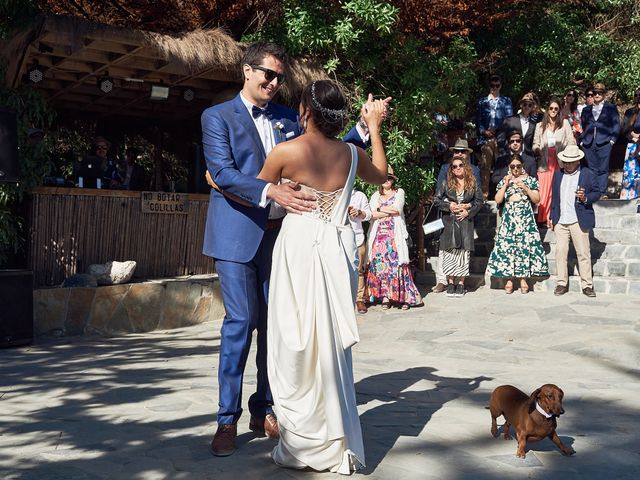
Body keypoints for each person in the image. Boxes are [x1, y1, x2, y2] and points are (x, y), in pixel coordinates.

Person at [201, 42, 381, 457]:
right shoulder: (216, 116)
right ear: (247, 70)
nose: (274, 82)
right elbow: (223, 172)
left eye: (279, 76)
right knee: (241, 322)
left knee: (276, 324)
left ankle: (265, 408)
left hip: (281, 238)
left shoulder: (287, 117)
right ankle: (225, 420)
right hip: (234, 234)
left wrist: (361, 124)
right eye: (267, 73)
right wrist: (270, 189)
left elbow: (322, 146)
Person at [257, 80, 389, 474]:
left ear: (305, 112)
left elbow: (260, 195)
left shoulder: (284, 152)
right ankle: (334, 442)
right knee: (330, 345)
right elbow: (381, 176)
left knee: (292, 342)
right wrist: (375, 126)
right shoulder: (351, 153)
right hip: (336, 251)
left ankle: (300, 443)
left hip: (297, 248)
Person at [487, 154, 548, 293]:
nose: (515, 169)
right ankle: (508, 280)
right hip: (509, 218)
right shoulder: (505, 181)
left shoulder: (530, 180)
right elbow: (497, 200)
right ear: (509, 167)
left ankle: (523, 279)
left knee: (523, 246)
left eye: (518, 166)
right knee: (508, 247)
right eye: (512, 166)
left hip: (525, 217)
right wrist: (506, 184)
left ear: (522, 166)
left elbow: (537, 199)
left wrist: (526, 188)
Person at [366, 167, 422, 309]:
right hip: (379, 237)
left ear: (393, 180)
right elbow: (371, 214)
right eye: (384, 178)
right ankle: (385, 297)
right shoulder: (374, 196)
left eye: (389, 178)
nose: (386, 180)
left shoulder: (399, 192)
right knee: (381, 267)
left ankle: (404, 297)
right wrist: (382, 211)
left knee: (397, 266)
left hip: (393, 236)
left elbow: (396, 210)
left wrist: (379, 210)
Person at [432, 138, 480, 293]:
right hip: (449, 218)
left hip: (466, 219)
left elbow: (478, 198)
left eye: (463, 151)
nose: (460, 154)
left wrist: (469, 207)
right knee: (447, 250)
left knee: (463, 252)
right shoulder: (446, 170)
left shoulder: (474, 172)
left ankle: (460, 283)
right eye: (457, 151)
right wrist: (449, 205)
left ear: (467, 154)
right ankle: (444, 281)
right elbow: (438, 194)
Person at [549, 145, 599, 297]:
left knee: (583, 252)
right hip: (561, 219)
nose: (568, 164)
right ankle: (561, 283)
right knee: (560, 252)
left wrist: (586, 198)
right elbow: (555, 197)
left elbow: (597, 192)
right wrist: (552, 215)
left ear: (578, 161)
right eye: (565, 161)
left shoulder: (588, 174)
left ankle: (587, 285)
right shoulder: (557, 175)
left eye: (571, 161)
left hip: (579, 219)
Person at [532, 98, 576, 225]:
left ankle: (553, 218)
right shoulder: (539, 126)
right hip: (544, 160)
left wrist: (567, 153)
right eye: (551, 108)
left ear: (559, 110)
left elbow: (571, 141)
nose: (553, 111)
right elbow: (535, 143)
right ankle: (542, 218)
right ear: (547, 110)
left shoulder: (565, 123)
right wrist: (537, 150)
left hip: (560, 160)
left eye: (556, 109)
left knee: (556, 190)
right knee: (544, 190)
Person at [580, 82, 620, 198]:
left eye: (600, 93)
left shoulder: (611, 108)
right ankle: (594, 192)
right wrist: (582, 141)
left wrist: (612, 140)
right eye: (595, 93)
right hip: (588, 143)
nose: (597, 95)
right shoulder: (586, 110)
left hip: (605, 142)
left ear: (604, 94)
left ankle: (602, 193)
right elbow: (584, 125)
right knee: (592, 169)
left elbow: (616, 125)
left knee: (603, 168)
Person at [476, 74, 513, 198]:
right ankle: (484, 195)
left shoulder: (506, 101)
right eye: (492, 85)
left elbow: (509, 119)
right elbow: (478, 120)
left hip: (500, 138)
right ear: (489, 86)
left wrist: (497, 129)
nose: (494, 88)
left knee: (501, 166)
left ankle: (501, 194)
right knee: (485, 167)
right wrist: (483, 131)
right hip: (486, 138)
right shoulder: (482, 102)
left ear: (500, 86)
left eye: (497, 85)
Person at [348, 189, 372, 313]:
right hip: (337, 237)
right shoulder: (334, 193)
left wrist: (359, 213)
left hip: (357, 238)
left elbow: (368, 215)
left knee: (359, 270)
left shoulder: (359, 195)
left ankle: (359, 299)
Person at [620, 89, 640, 199]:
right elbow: (624, 129)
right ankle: (630, 198)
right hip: (633, 146)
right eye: (637, 95)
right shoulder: (630, 112)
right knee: (631, 175)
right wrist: (633, 137)